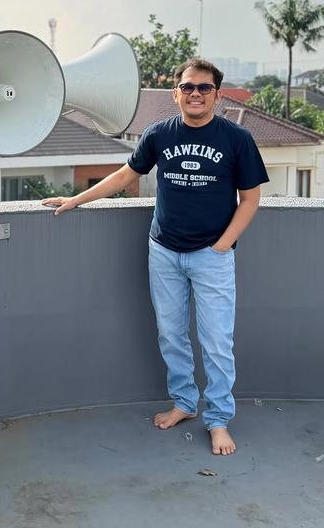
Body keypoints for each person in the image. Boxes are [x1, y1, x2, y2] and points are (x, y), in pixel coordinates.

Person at [43, 58, 268, 456]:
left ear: (217, 93)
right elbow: (126, 175)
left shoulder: (236, 139)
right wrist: (76, 199)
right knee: (171, 334)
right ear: (175, 93)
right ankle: (184, 403)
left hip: (212, 256)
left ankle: (218, 420)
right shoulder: (159, 133)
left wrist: (222, 245)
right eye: (187, 87)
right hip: (163, 251)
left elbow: (250, 199)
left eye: (203, 88)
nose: (195, 94)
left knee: (216, 342)